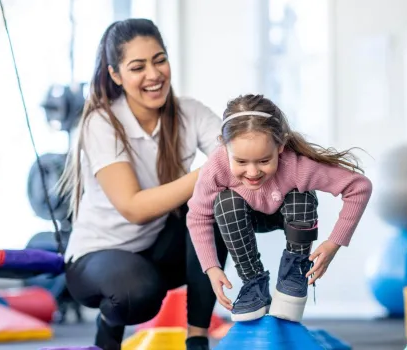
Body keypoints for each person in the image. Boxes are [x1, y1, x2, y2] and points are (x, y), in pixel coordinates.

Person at [59, 18, 228, 350]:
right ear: (116, 75)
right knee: (137, 293)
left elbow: (237, 155)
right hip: (96, 258)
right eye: (138, 67)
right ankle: (109, 325)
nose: (154, 75)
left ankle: (197, 338)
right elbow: (133, 208)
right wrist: (210, 173)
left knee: (220, 208)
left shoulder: (190, 113)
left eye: (159, 60)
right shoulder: (102, 122)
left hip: (155, 251)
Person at [186, 94, 373, 323]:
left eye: (264, 161)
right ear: (224, 147)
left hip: (288, 215)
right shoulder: (216, 167)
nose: (253, 172)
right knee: (225, 202)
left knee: (301, 195)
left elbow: (358, 186)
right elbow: (198, 216)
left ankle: (293, 275)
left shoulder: (296, 166)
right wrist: (211, 268)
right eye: (242, 162)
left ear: (281, 146)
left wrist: (334, 242)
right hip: (241, 217)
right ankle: (253, 282)